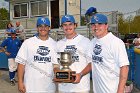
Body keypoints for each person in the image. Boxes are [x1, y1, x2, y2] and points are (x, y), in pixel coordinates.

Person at [88, 13, 129, 93]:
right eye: (93, 24)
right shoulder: (93, 42)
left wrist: (120, 91)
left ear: (106, 26)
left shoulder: (115, 42)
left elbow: (124, 67)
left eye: (100, 24)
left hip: (112, 90)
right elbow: (91, 63)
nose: (96, 27)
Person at [15, 17, 58, 93]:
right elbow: (21, 64)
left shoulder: (55, 44)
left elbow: (55, 65)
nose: (43, 28)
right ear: (37, 28)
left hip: (48, 87)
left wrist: (59, 75)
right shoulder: (28, 43)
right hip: (30, 86)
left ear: (49, 28)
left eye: (45, 26)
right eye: (40, 26)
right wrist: (20, 82)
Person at [54, 15, 91, 93]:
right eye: (65, 25)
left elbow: (91, 64)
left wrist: (80, 75)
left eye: (70, 24)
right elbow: (55, 64)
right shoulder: (58, 44)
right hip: (63, 89)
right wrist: (58, 74)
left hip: (81, 88)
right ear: (62, 27)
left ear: (75, 25)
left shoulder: (85, 41)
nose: (67, 27)